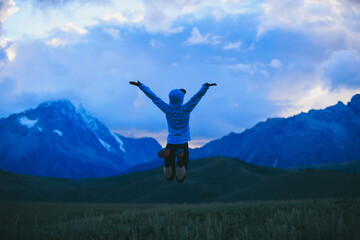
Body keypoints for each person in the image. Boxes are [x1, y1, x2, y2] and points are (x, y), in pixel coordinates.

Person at [129, 80, 216, 183]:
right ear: (181, 99)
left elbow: (153, 97)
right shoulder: (186, 109)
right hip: (182, 143)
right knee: (180, 178)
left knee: (169, 177)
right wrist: (205, 86)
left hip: (170, 143)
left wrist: (140, 85)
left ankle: (167, 159)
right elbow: (196, 97)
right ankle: (180, 160)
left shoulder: (167, 109)